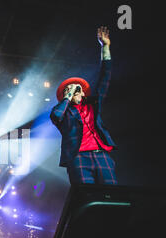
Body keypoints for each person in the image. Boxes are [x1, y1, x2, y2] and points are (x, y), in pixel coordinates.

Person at [50, 26, 118, 185]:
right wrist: (67, 97)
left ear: (83, 93)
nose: (74, 91)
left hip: (101, 154)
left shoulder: (93, 105)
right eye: (70, 90)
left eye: (77, 89)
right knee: (86, 196)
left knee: (112, 195)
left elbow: (105, 77)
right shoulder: (63, 112)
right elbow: (55, 116)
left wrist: (105, 47)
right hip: (78, 157)